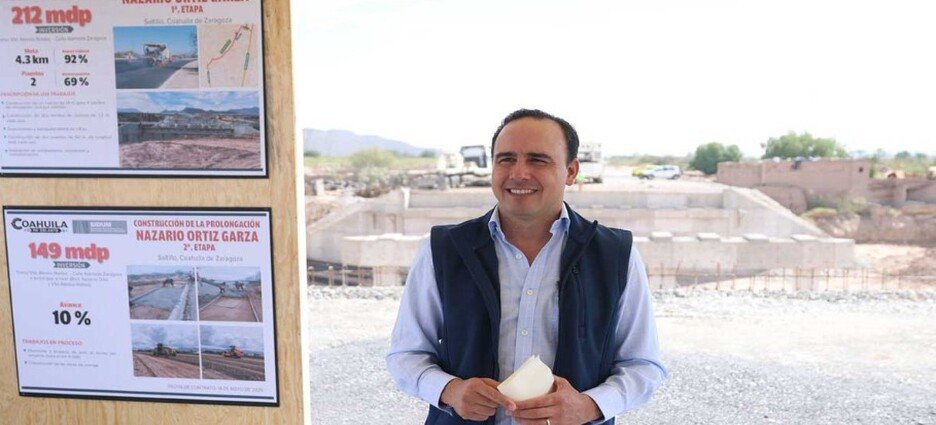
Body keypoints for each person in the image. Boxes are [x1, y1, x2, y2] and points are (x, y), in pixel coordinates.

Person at [387, 109, 666, 425]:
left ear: (571, 171)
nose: (519, 173)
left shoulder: (616, 255)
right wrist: (450, 390)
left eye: (538, 160)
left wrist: (589, 406)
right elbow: (406, 354)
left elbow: (643, 364)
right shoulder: (443, 250)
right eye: (506, 159)